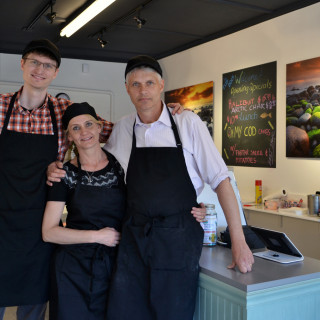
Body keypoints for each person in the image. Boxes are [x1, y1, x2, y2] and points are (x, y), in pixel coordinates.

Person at [102, 55, 254, 320]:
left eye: (149, 82)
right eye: (135, 84)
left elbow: (221, 181)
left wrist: (239, 242)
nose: (143, 90)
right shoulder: (123, 128)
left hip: (177, 240)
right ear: (126, 88)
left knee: (171, 313)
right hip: (134, 238)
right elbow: (96, 160)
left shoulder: (188, 123)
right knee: (125, 312)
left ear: (161, 85)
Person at [0, 39, 114, 320]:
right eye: (35, 62)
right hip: (0, 224)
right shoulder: (0, 107)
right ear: (23, 64)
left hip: (39, 229)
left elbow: (112, 131)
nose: (40, 69)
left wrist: (162, 113)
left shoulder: (64, 112)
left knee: (34, 309)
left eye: (48, 65)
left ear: (56, 73)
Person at [42, 102, 126, 320]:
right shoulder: (64, 174)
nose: (84, 132)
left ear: (100, 127)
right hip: (72, 270)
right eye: (75, 128)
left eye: (89, 124)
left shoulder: (121, 165)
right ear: (69, 136)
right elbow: (49, 232)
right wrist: (97, 236)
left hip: (115, 266)